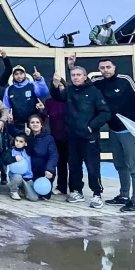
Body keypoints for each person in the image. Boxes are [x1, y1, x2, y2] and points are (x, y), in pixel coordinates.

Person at [89, 56, 135, 212]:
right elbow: (81, 86)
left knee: (134, 166)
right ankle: (124, 195)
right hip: (113, 130)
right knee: (120, 164)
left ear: (114, 67)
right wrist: (71, 67)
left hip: (130, 129)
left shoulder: (125, 80)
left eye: (108, 67)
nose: (105, 70)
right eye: (102, 67)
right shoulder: (97, 83)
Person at [50, 66, 111, 208]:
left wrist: (91, 126)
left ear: (85, 76)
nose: (76, 77)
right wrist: (54, 84)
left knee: (92, 167)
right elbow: (57, 97)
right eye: (73, 75)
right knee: (74, 167)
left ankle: (97, 194)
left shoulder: (94, 92)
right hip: (72, 137)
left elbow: (105, 113)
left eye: (79, 75)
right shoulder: (69, 90)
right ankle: (77, 191)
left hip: (90, 138)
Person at [2, 65, 49, 135]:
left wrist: (39, 79)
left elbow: (44, 93)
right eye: (16, 74)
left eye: (21, 73)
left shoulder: (32, 85)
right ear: (13, 76)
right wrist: (8, 119)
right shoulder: (9, 89)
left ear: (25, 74)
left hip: (33, 124)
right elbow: (6, 107)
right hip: (17, 126)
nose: (19, 76)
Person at [44, 76, 69, 195]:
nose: (59, 88)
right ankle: (60, 187)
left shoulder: (70, 99)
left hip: (70, 137)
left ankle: (75, 188)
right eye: (56, 86)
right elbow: (42, 116)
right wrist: (40, 110)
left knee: (73, 164)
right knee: (59, 163)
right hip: (55, 137)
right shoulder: (49, 101)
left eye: (61, 86)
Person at [25, 115, 58, 199]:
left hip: (44, 169)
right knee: (34, 196)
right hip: (31, 170)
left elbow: (53, 155)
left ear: (41, 125)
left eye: (37, 122)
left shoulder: (48, 138)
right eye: (32, 122)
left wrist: (49, 169)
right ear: (29, 125)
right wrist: (29, 138)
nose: (35, 124)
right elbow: (28, 152)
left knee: (45, 195)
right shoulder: (26, 137)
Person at [6, 133, 38, 201]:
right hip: (16, 177)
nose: (18, 143)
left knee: (34, 198)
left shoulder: (27, 151)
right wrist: (14, 159)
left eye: (21, 141)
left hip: (28, 178)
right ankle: (13, 191)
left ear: (25, 143)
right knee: (17, 177)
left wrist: (29, 135)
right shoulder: (11, 151)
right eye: (16, 140)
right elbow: (4, 159)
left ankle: (22, 189)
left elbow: (32, 144)